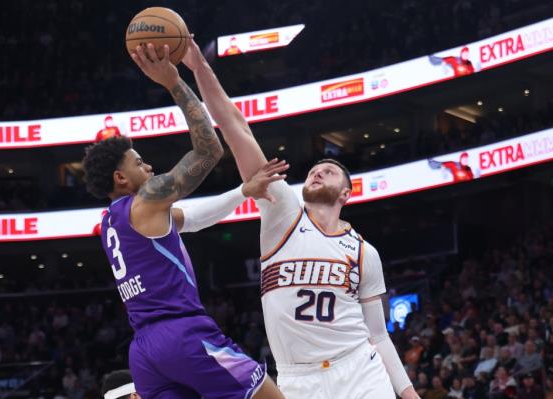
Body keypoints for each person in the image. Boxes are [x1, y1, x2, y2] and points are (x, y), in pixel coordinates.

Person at [181, 37, 420, 399]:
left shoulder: (363, 253)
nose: (318, 172)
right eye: (314, 170)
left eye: (329, 171)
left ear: (346, 194)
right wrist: (199, 66)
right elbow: (235, 126)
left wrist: (408, 393)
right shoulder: (283, 212)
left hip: (358, 369)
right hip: (296, 379)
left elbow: (378, 335)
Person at [82, 43, 284, 399]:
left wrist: (244, 192)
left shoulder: (114, 222)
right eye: (138, 162)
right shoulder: (145, 200)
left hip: (144, 351)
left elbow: (191, 219)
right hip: (182, 336)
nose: (148, 167)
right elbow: (209, 150)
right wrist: (174, 82)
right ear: (120, 178)